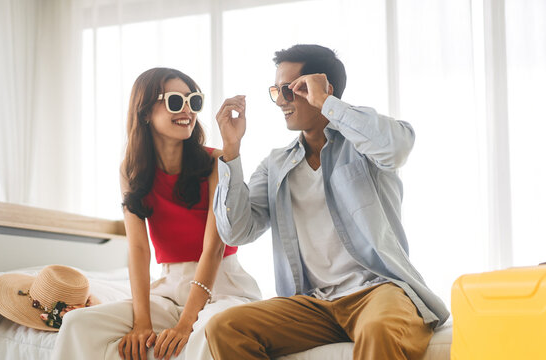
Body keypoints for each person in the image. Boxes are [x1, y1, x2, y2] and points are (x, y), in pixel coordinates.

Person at [205, 44, 449, 360]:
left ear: (322, 88)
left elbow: (397, 146)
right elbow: (236, 232)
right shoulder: (276, 165)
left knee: (379, 329)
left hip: (378, 292)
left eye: (290, 90)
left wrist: (327, 104)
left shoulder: (363, 145)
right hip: (313, 305)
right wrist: (231, 150)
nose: (280, 101)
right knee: (224, 327)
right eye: (276, 91)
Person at [51, 67, 261, 360]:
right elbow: (138, 248)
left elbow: (213, 248)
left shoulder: (214, 161)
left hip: (222, 285)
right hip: (169, 289)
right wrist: (142, 322)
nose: (187, 110)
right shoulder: (131, 170)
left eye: (194, 101)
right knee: (77, 324)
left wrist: (186, 323)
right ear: (146, 111)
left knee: (207, 334)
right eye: (175, 101)